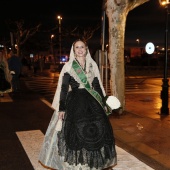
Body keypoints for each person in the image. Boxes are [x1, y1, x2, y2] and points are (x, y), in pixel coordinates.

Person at [39, 39, 117, 170]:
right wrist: (62, 108)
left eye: (82, 47)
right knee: (76, 131)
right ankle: (79, 163)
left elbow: (97, 86)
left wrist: (104, 103)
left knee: (96, 130)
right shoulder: (69, 66)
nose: (80, 50)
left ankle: (92, 161)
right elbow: (64, 88)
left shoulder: (93, 65)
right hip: (75, 102)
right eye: (77, 47)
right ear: (73, 50)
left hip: (92, 102)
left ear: (86, 49)